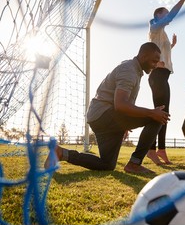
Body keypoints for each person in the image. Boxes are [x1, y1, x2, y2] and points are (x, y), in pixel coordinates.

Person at [44, 42, 170, 174]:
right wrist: (152, 113)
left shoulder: (134, 69)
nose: (156, 65)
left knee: (107, 164)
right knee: (158, 117)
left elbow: (123, 104)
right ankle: (134, 163)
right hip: (104, 114)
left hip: (99, 118)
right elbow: (120, 104)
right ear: (144, 56)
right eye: (154, 61)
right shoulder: (129, 70)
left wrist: (125, 123)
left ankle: (61, 153)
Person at [147, 0, 185, 165]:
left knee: (164, 113)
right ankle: (152, 150)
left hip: (163, 76)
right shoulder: (154, 28)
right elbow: (170, 16)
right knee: (160, 113)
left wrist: (171, 46)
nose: (168, 18)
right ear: (158, 17)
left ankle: (160, 150)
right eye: (164, 15)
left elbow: (161, 52)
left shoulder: (161, 34)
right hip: (157, 76)